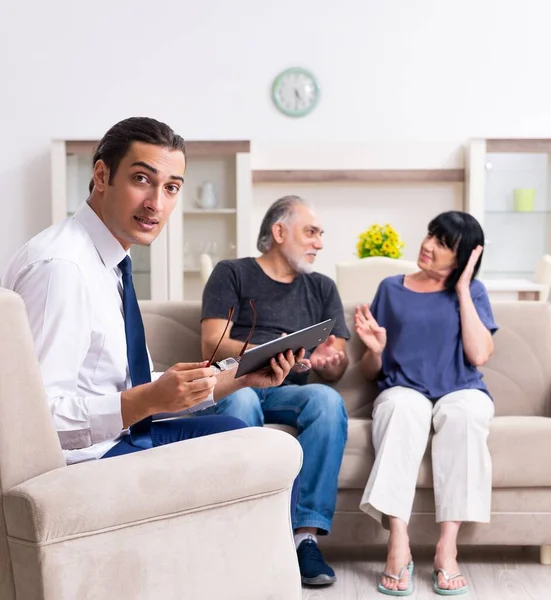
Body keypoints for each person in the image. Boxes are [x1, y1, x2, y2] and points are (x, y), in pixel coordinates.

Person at [0, 116, 299, 466]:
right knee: (265, 456)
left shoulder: (109, 264)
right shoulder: (62, 269)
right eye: (141, 179)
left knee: (242, 435)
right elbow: (33, 420)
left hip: (115, 440)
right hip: (84, 463)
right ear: (101, 176)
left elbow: (115, 389)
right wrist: (147, 399)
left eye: (171, 188)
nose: (156, 203)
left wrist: (240, 376)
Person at [199, 195, 349, 586]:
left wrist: (331, 362)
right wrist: (268, 354)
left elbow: (338, 361)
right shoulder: (232, 273)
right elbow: (212, 343)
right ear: (279, 232)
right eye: (311, 232)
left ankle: (304, 538)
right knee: (244, 397)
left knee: (328, 401)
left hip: (290, 389)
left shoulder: (322, 288)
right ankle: (252, 537)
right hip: (237, 381)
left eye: (320, 234)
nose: (319, 242)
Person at [355, 211, 497, 596]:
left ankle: (446, 549)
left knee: (465, 415)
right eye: (431, 235)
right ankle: (397, 542)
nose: (428, 245)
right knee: (403, 409)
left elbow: (480, 355)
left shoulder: (474, 293)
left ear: (464, 256)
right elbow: (371, 372)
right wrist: (374, 350)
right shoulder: (391, 288)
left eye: (443, 244)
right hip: (404, 389)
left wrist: (464, 288)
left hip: (461, 388)